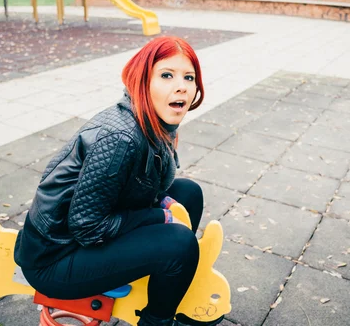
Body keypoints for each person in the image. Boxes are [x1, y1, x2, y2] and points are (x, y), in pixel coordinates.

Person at [14, 36, 221, 326]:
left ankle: (167, 285)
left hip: (79, 239)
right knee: (180, 244)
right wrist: (159, 216)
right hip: (55, 259)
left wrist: (161, 211)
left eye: (189, 77)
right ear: (142, 82)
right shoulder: (121, 137)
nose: (182, 86)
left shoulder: (155, 121)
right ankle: (157, 320)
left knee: (188, 193)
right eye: (166, 75)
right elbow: (86, 228)